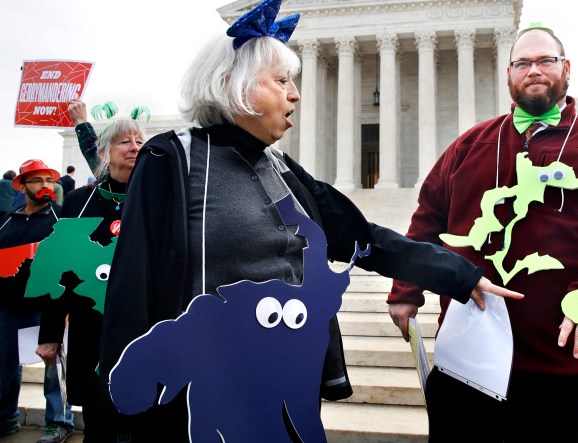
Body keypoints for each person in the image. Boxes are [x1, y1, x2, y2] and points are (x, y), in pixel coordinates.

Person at [97, 1, 522, 441]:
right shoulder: (172, 160)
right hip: (200, 396)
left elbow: (362, 238)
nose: (295, 94)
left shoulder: (282, 170)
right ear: (233, 86)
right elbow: (132, 286)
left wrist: (460, 276)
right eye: (281, 81)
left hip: (283, 387)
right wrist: (124, 416)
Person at [387, 23, 578, 442]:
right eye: (522, 63)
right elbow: (428, 219)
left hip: (555, 355)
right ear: (509, 75)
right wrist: (405, 290)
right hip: (465, 353)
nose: (534, 70)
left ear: (566, 69)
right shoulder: (469, 146)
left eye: (545, 61)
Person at [36, 112, 145, 442]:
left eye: (140, 141)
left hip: (143, 326)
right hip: (91, 329)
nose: (134, 147)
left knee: (141, 414)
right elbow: (59, 272)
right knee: (98, 421)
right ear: (104, 152)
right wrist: (50, 333)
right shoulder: (78, 202)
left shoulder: (156, 199)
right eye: (124, 141)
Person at [0, 159, 74, 442]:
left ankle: (59, 423)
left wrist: (65, 308)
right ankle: (6, 419)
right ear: (22, 186)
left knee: (53, 371)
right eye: (38, 181)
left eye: (48, 180)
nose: (45, 185)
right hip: (8, 308)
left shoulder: (60, 220)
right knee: (5, 370)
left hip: (48, 308)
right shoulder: (8, 218)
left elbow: (69, 265)